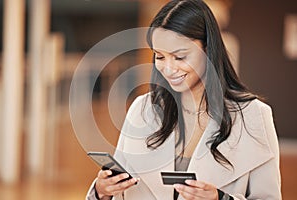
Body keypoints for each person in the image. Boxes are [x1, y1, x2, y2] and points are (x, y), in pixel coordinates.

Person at [86, 0, 282, 199]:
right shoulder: (142, 109)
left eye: (179, 57)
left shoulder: (253, 115)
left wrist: (220, 198)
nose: (168, 69)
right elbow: (123, 189)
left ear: (208, 49)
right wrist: (102, 193)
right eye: (160, 57)